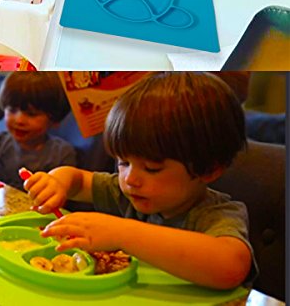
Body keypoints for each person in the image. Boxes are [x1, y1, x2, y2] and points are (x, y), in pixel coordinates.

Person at [22, 72, 256, 290]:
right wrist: (57, 181)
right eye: (123, 162)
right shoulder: (130, 193)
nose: (130, 179)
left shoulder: (216, 215)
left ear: (210, 169)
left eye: (152, 168)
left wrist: (121, 232)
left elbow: (231, 267)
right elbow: (79, 181)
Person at [0, 72, 77, 190]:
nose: (19, 120)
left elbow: (64, 193)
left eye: (31, 114)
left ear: (54, 120)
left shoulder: (61, 154)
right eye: (12, 110)